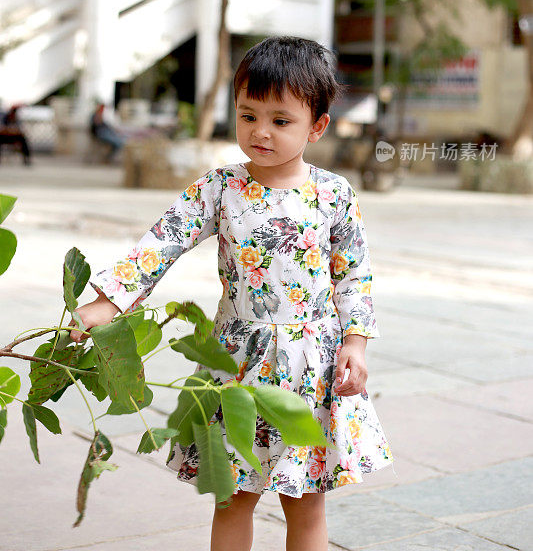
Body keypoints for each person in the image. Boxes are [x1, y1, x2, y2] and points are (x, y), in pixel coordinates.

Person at [69, 36, 395, 551]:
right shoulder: (219, 188)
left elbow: (354, 274)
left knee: (306, 499)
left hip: (311, 366)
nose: (260, 132)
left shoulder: (334, 194)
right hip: (236, 364)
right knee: (231, 495)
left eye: (280, 121)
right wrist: (109, 301)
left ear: (317, 125)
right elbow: (162, 242)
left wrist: (355, 343)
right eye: (248, 116)